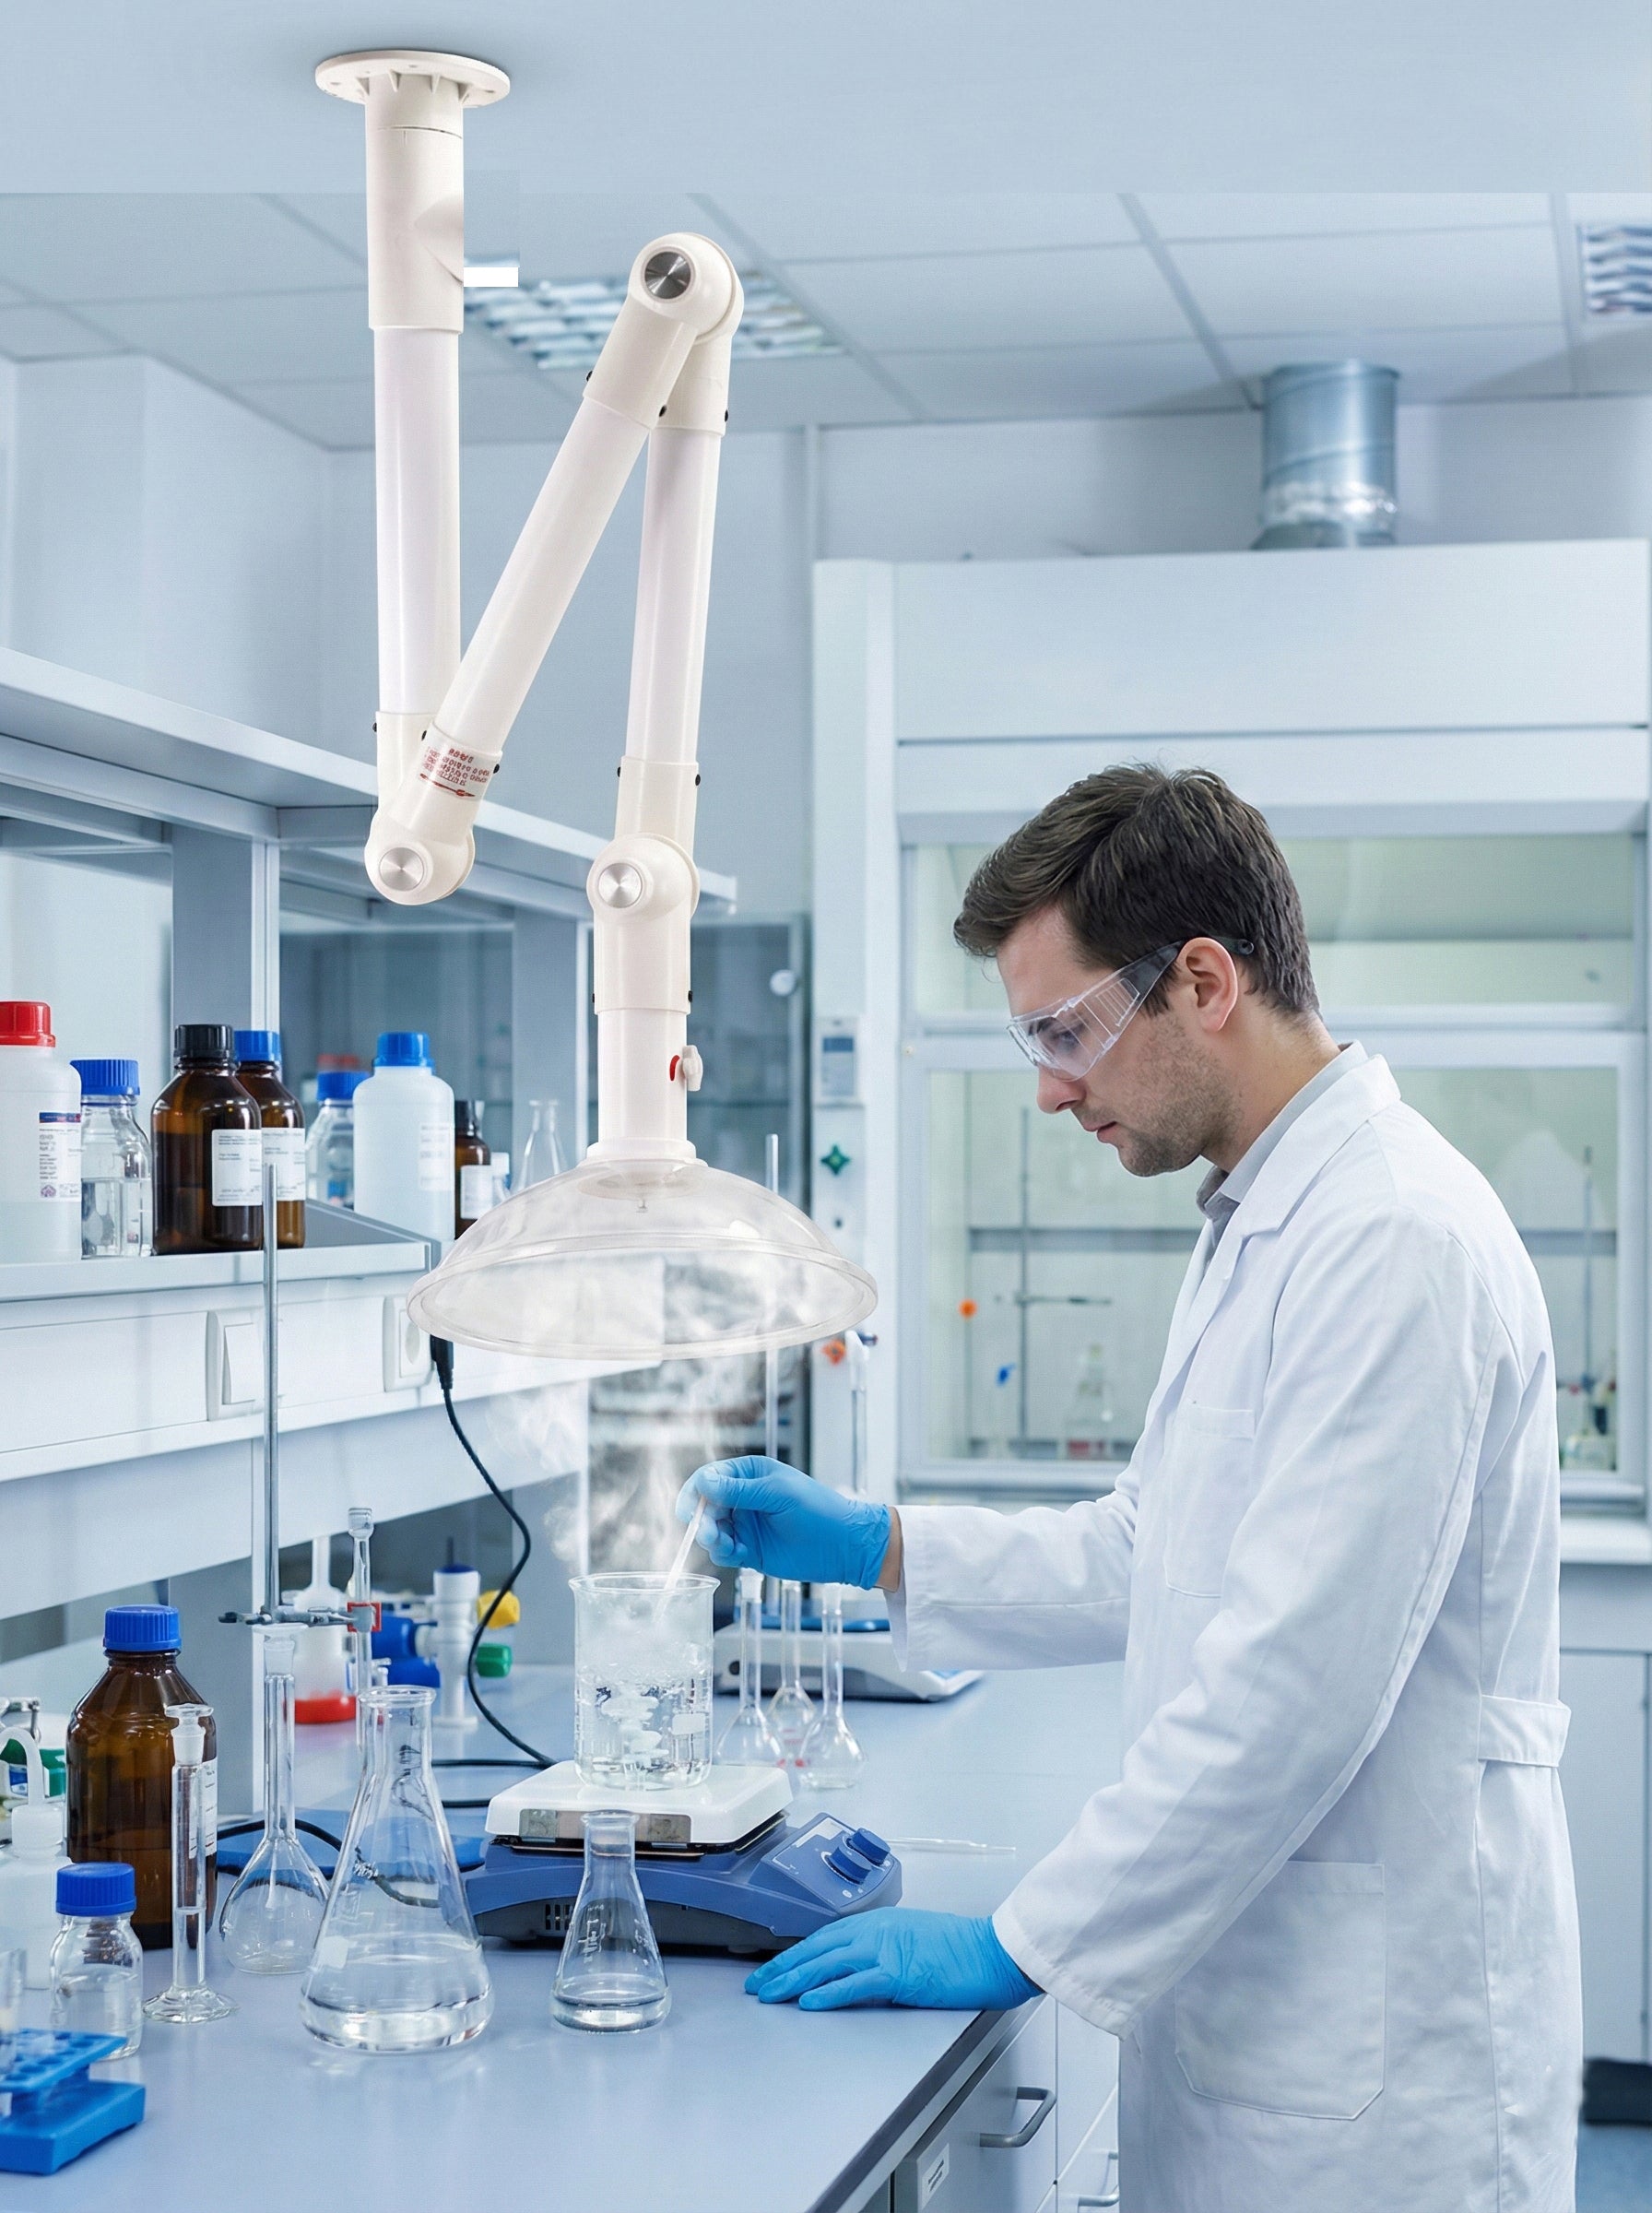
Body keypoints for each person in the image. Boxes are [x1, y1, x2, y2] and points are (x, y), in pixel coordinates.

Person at [680, 766, 1581, 2213]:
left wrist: (1021, 1940)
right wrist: (879, 1549)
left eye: (1065, 1030)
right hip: (1269, 2010)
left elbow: (1295, 1686)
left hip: (1380, 2081)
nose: (1048, 1087)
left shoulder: (1392, 1238)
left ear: (1206, 982)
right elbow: (1157, 1548)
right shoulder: (1262, 1219)